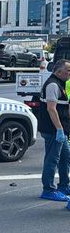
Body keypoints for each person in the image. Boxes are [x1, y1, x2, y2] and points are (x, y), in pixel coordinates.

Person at [38, 59, 70, 201]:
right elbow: (51, 109)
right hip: (53, 130)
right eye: (68, 70)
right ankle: (48, 189)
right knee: (52, 159)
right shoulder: (52, 84)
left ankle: (63, 185)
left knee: (65, 157)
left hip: (60, 129)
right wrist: (59, 129)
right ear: (59, 71)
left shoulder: (61, 84)